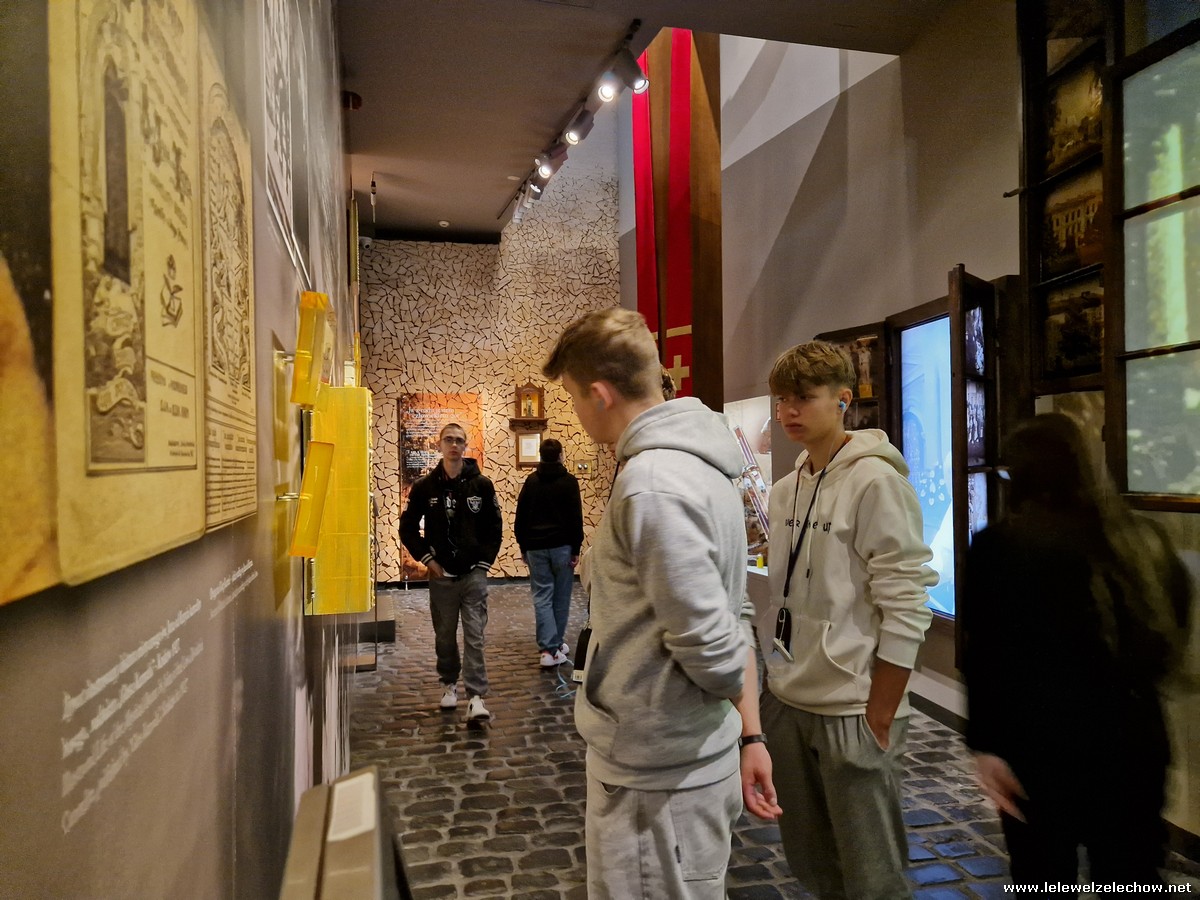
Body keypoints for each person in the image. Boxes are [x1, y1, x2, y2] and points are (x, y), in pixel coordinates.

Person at [542, 307, 779, 899]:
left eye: (573, 397)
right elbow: (734, 614)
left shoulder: (653, 483)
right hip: (676, 760)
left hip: (661, 775)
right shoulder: (697, 466)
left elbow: (712, 642)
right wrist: (748, 733)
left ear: (600, 394)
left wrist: (737, 717)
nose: (576, 413)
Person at [963, 413, 1192, 887]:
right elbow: (1171, 633)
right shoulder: (1142, 538)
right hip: (1134, 740)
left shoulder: (1000, 546)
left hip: (1038, 746)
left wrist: (986, 746)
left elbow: (985, 657)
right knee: (1132, 877)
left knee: (1043, 877)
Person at [751, 339, 935, 899]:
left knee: (871, 873)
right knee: (812, 862)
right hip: (788, 696)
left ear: (843, 400)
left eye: (804, 397)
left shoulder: (876, 482)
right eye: (781, 400)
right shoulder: (785, 490)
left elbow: (906, 597)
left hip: (853, 705)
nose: (789, 412)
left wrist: (882, 707)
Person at [399, 422, 503, 721]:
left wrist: (483, 564)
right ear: (440, 445)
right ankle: (448, 684)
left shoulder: (481, 485)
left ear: (466, 445)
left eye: (459, 440)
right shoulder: (425, 487)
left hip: (473, 575)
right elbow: (408, 528)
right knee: (444, 635)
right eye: (448, 440)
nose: (454, 445)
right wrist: (428, 561)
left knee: (475, 636)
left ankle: (476, 697)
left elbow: (494, 527)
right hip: (442, 576)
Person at [514, 437, 584, 668]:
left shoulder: (531, 481)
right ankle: (552, 648)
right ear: (561, 455)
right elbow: (576, 518)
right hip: (562, 547)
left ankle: (550, 646)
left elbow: (520, 517)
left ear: (541, 456)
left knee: (542, 597)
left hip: (535, 548)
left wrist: (523, 546)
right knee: (561, 598)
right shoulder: (569, 482)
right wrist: (576, 548)